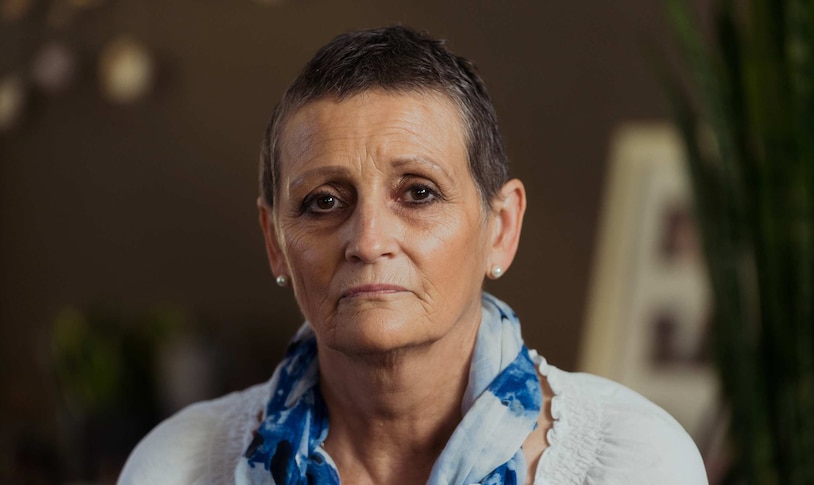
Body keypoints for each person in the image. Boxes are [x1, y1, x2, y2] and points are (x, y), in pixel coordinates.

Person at [119, 25, 708, 484]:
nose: (369, 240)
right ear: (275, 242)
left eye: (419, 193)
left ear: (500, 228)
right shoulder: (177, 468)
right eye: (324, 202)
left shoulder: (632, 462)